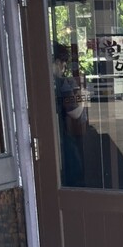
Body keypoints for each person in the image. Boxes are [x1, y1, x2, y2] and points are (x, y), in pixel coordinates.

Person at [52, 42, 87, 186]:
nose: (64, 69)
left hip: (47, 136)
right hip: (60, 135)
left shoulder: (39, 82)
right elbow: (75, 113)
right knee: (72, 170)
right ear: (58, 62)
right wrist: (83, 98)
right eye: (64, 64)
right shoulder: (63, 83)